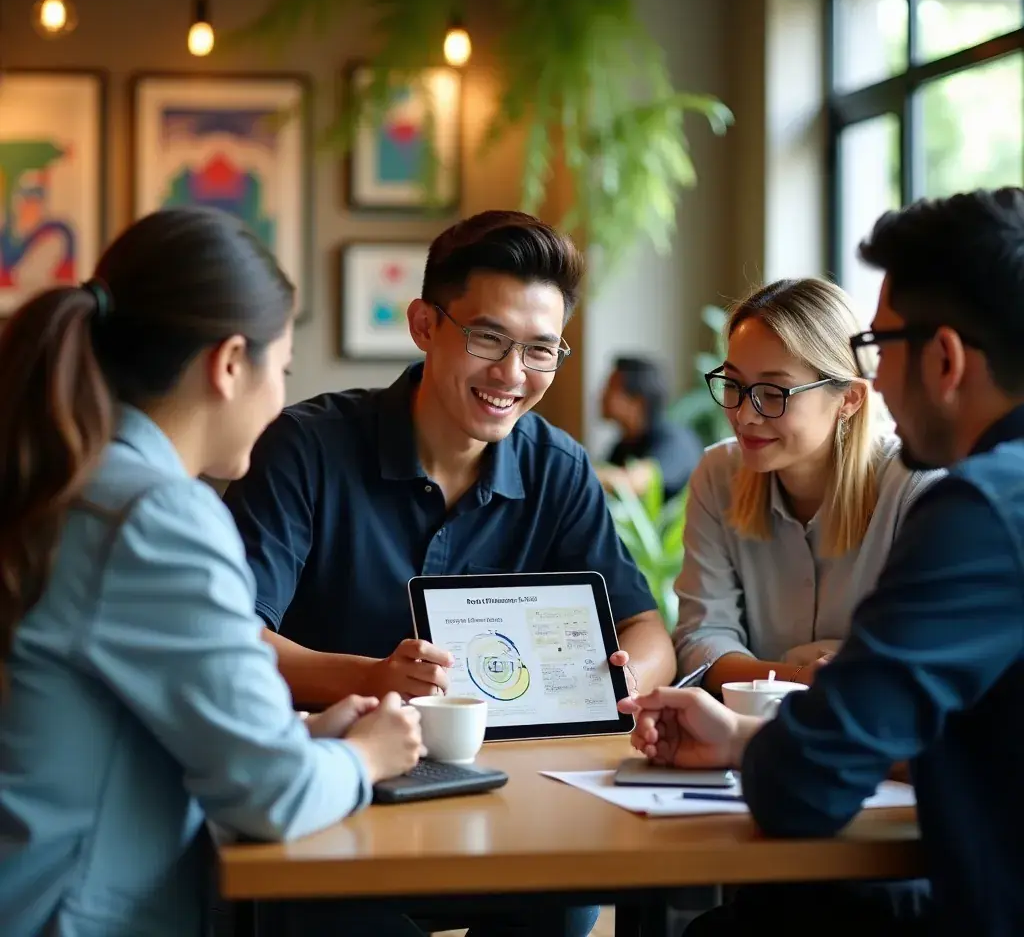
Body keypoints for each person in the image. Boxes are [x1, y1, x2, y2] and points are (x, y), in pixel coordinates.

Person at [223, 209, 676, 937]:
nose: (512, 375)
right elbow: (231, 642)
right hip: (337, 796)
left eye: (541, 349)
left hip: (508, 800)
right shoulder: (304, 450)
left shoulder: (556, 468)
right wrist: (370, 679)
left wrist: (617, 684)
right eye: (488, 338)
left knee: (565, 906)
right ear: (424, 325)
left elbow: (645, 628)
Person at [0, 208, 423, 937]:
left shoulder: (72, 479)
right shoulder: (158, 517)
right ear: (229, 364)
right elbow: (273, 796)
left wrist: (304, 738)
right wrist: (367, 756)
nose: (281, 398)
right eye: (281, 370)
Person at [624, 188, 1024, 936]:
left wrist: (791, 725)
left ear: (943, 359)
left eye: (881, 348)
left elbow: (806, 785)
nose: (878, 380)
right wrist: (749, 732)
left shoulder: (979, 510)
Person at [674, 278, 941, 692]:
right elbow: (700, 641)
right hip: (746, 727)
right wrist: (801, 677)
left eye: (774, 392)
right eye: (734, 385)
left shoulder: (916, 490)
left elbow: (917, 662)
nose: (744, 415)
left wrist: (758, 673)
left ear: (849, 399)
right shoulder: (718, 474)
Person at [597, 355, 703, 500]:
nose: (602, 395)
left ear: (637, 401)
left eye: (610, 388)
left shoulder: (675, 441)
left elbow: (630, 483)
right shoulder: (622, 446)